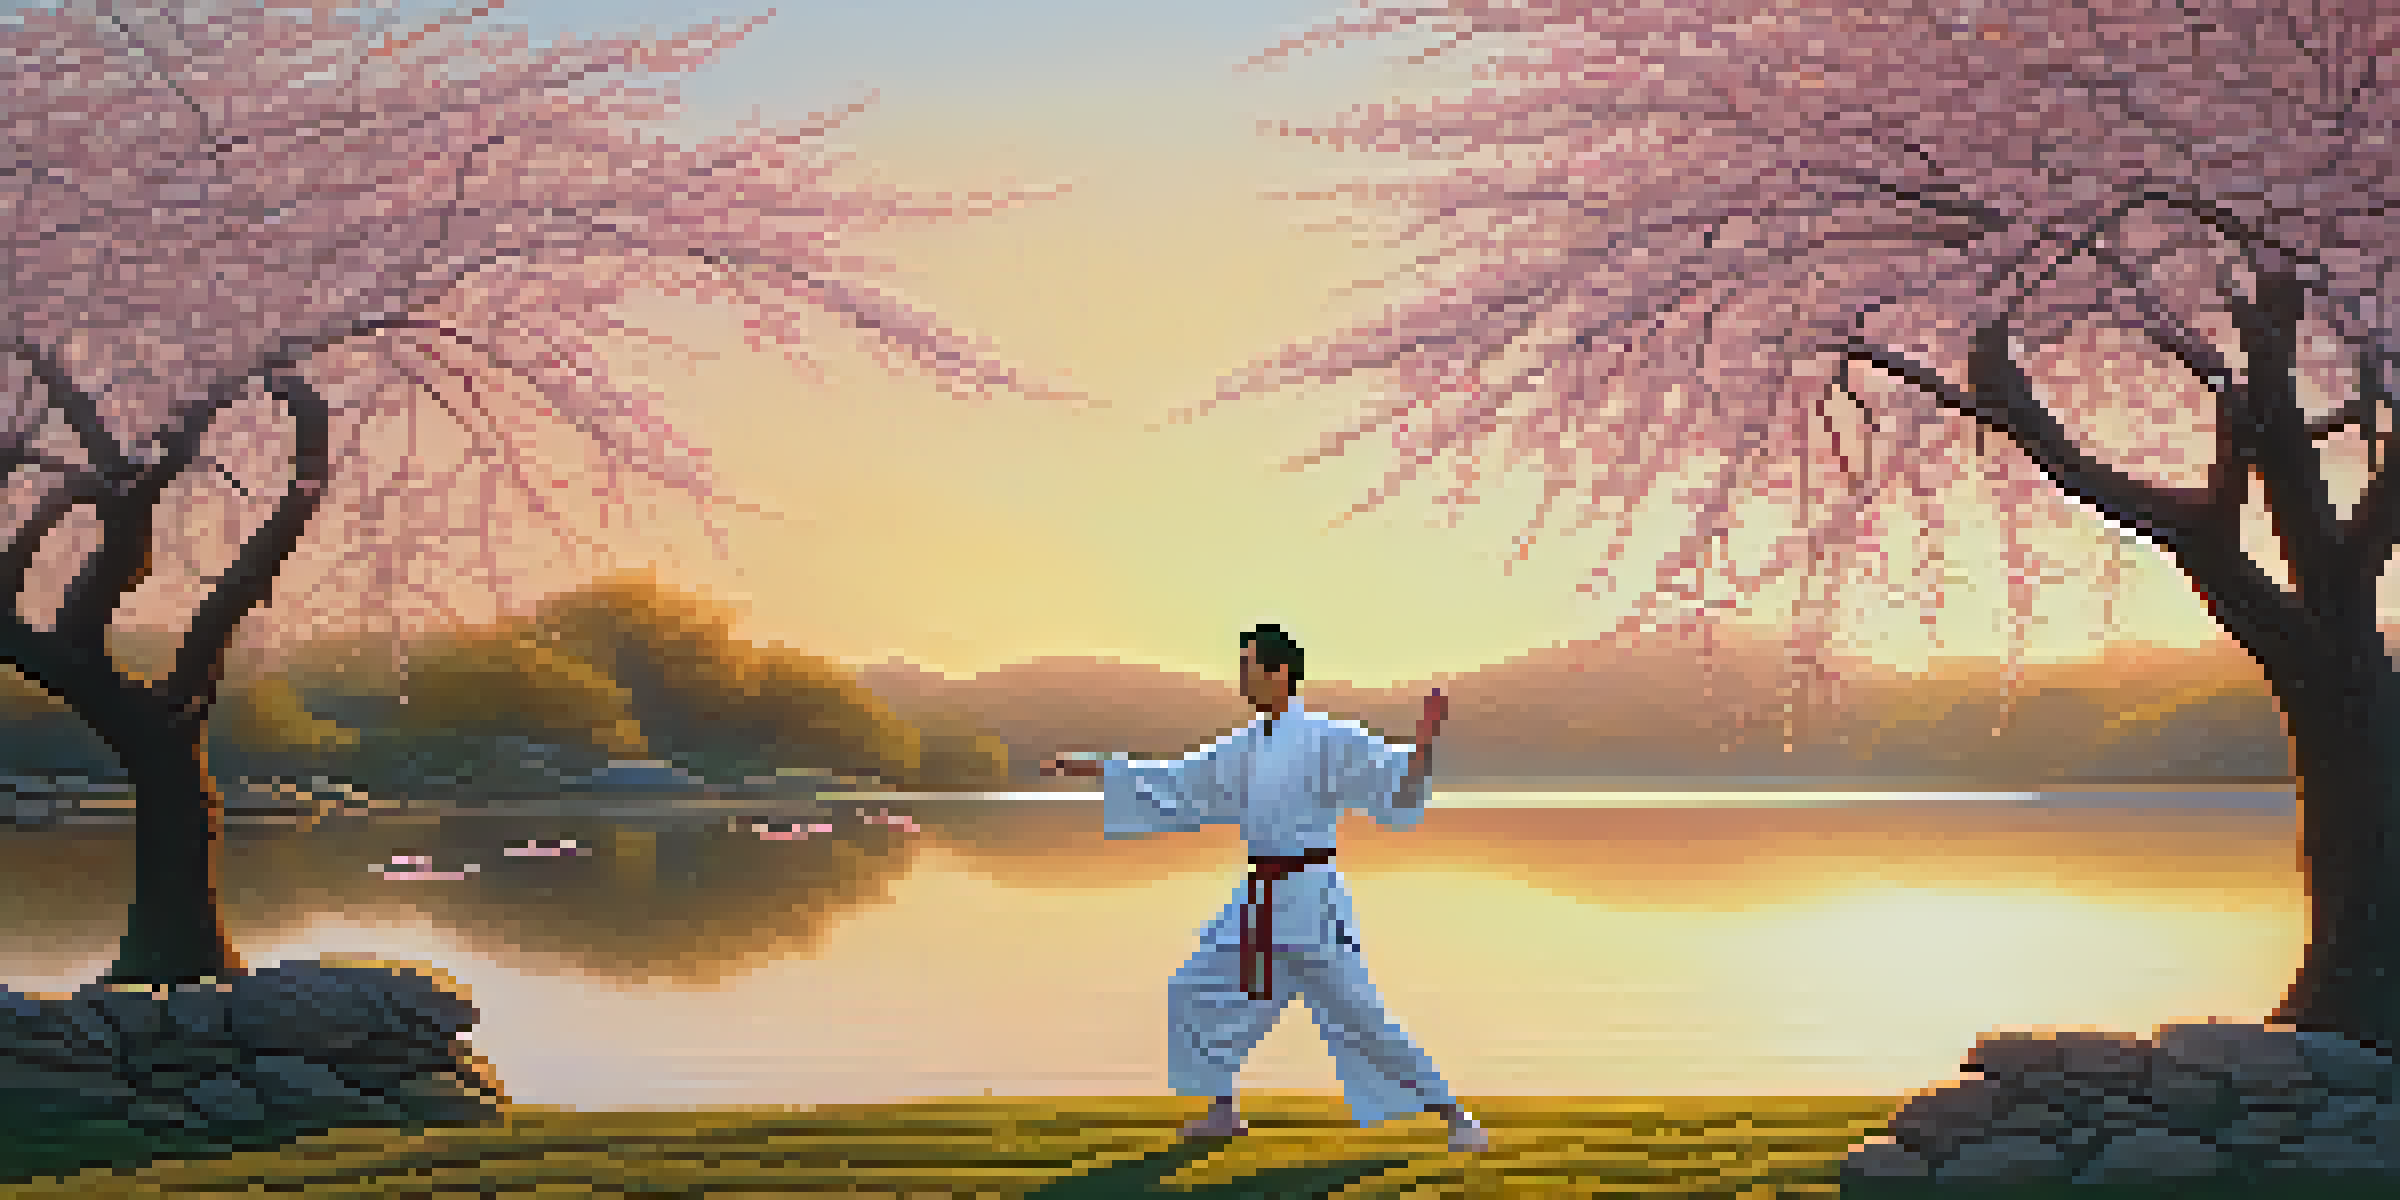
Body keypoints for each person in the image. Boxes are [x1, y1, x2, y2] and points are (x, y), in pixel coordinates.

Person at [1040, 624, 1488, 1153]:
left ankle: (1458, 1119)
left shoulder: (1327, 737)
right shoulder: (1245, 745)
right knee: (1194, 989)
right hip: (1258, 903)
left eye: (1249, 667)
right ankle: (1222, 1112)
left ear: (1280, 673)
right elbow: (1178, 781)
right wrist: (1093, 769)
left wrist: (1423, 749)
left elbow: (1395, 789)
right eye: (1241, 667)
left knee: (1361, 1018)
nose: (1242, 678)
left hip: (1311, 904)